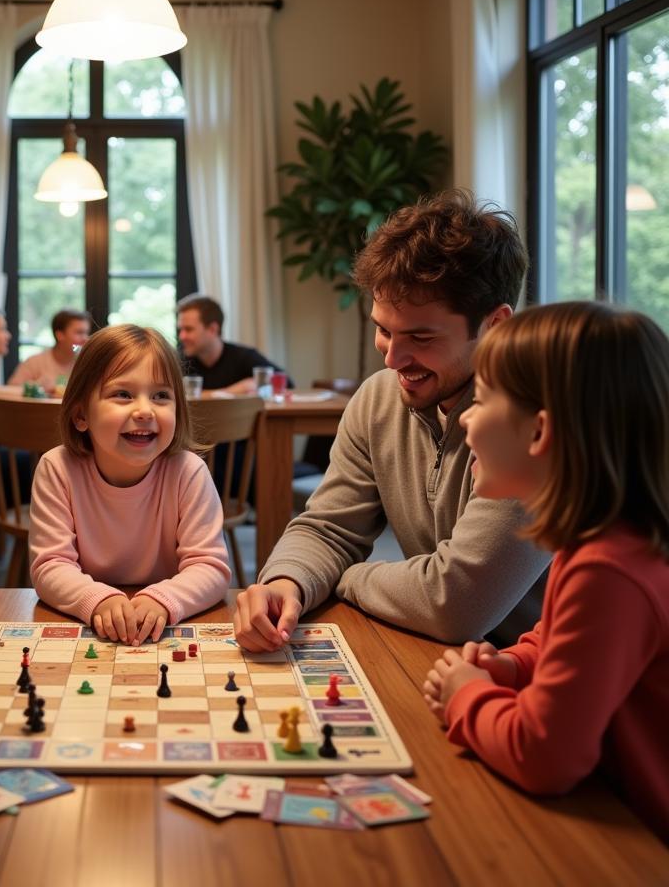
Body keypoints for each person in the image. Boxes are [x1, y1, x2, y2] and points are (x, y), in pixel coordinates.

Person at [234, 190, 550, 650]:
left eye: (420, 336)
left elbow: (456, 604)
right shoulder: (378, 399)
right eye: (383, 329)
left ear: (496, 324)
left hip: (543, 675)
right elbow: (329, 527)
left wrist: (349, 577)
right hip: (443, 655)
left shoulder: (538, 424)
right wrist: (290, 581)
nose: (393, 359)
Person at [422, 302, 669, 841]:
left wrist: (466, 695)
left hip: (637, 842)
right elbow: (556, 641)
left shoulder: (608, 570)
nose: (464, 417)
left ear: (539, 433)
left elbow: (544, 755)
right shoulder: (599, 542)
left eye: (482, 401)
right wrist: (509, 667)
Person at [29, 324, 231, 644]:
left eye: (161, 396)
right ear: (81, 414)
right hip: (90, 631)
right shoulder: (57, 468)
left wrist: (162, 599)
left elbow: (210, 567)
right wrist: (99, 599)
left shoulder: (188, 471)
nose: (145, 410)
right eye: (123, 394)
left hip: (162, 630)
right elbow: (51, 566)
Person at [176, 294, 290, 394]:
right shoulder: (179, 362)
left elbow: (287, 383)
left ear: (212, 329)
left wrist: (257, 385)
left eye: (189, 329)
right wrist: (235, 390)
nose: (182, 336)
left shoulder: (244, 357)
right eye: (180, 330)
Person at [8, 309, 91, 395]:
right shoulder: (34, 362)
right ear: (60, 335)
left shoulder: (87, 364)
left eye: (86, 333)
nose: (85, 338)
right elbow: (11, 390)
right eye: (79, 333)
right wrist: (38, 388)